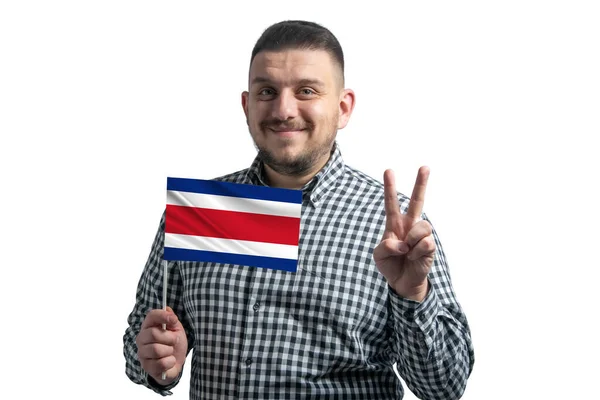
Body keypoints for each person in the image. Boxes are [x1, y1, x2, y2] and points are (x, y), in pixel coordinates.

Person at [123, 19, 474, 399]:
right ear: (247, 104)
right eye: (267, 91)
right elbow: (137, 347)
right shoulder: (201, 211)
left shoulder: (394, 227)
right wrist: (156, 360)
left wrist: (413, 295)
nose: (284, 109)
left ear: (343, 108)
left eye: (306, 91)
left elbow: (444, 387)